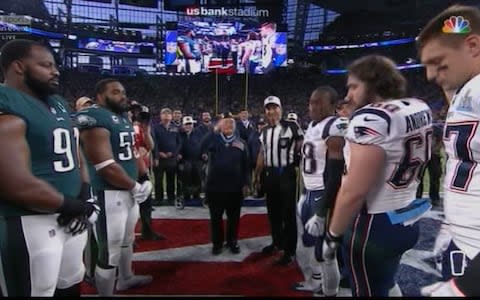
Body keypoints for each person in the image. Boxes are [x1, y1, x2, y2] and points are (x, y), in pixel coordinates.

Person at [322, 55, 433, 296]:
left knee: (367, 290)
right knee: (386, 281)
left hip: (374, 224)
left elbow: (354, 192)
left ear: (374, 83)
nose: (348, 95)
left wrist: (332, 235)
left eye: (353, 86)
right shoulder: (418, 106)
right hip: (407, 216)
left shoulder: (370, 118)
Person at [0, 39, 99, 296]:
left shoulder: (55, 102)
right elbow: (14, 185)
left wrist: (85, 191)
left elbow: (74, 149)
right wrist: (74, 206)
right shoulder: (7, 104)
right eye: (46, 65)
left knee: (70, 284)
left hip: (69, 216)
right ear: (19, 67)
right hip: (27, 221)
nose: (55, 71)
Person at [417, 4, 480, 284]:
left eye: (439, 62)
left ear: (473, 46)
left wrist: (467, 286)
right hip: (462, 239)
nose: (430, 75)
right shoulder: (466, 91)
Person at [75, 78, 153, 296]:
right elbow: (104, 165)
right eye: (116, 92)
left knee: (127, 240)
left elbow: (133, 152)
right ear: (100, 95)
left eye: (123, 92)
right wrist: (135, 186)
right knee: (110, 251)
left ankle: (126, 278)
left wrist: (144, 176)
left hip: (127, 191)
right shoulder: (94, 116)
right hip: (108, 192)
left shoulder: (121, 117)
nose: (123, 96)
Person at [292, 86, 347, 297]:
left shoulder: (335, 126)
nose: (313, 106)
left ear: (334, 106)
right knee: (306, 244)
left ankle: (330, 292)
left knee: (325, 252)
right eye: (311, 102)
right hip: (308, 192)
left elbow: (335, 175)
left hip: (322, 194)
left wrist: (323, 210)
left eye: (319, 103)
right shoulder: (314, 125)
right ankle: (315, 282)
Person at [254, 96, 304, 266]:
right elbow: (262, 153)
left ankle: (290, 251)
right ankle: (277, 243)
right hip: (270, 174)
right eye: (268, 108)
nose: (271, 111)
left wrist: (298, 164)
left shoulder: (291, 126)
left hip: (286, 173)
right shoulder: (265, 131)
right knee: (273, 212)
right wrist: (257, 175)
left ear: (280, 109)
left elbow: (301, 145)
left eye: (274, 108)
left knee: (288, 214)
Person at [202, 115, 250, 255]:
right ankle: (217, 244)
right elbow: (201, 146)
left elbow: (246, 165)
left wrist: (246, 183)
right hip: (215, 187)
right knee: (215, 217)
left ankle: (232, 241)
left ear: (235, 127)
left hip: (235, 188)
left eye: (231, 123)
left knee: (234, 217)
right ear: (220, 126)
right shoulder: (214, 140)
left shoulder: (241, 143)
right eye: (225, 123)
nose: (228, 125)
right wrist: (213, 130)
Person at [129, 101, 164, 240]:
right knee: (128, 204)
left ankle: (147, 230)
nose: (136, 114)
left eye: (139, 112)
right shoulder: (119, 126)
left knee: (146, 202)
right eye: (133, 111)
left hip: (141, 169)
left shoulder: (139, 127)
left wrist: (146, 131)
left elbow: (150, 146)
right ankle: (127, 237)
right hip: (127, 169)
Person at [153, 108, 181, 205]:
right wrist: (157, 155)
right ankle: (158, 199)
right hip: (159, 158)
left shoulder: (176, 128)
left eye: (168, 114)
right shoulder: (155, 128)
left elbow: (179, 143)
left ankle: (171, 198)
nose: (166, 116)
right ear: (160, 116)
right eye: (164, 114)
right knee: (158, 180)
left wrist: (174, 153)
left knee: (171, 180)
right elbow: (154, 143)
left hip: (171, 158)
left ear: (171, 116)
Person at [178, 116, 203, 204]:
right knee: (186, 177)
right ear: (183, 125)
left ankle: (196, 195)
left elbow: (204, 145)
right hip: (185, 160)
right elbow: (176, 145)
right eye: (186, 124)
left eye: (190, 124)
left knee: (197, 177)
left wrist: (204, 154)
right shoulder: (179, 134)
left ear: (193, 125)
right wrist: (178, 154)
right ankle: (186, 195)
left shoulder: (198, 133)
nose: (188, 126)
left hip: (197, 159)